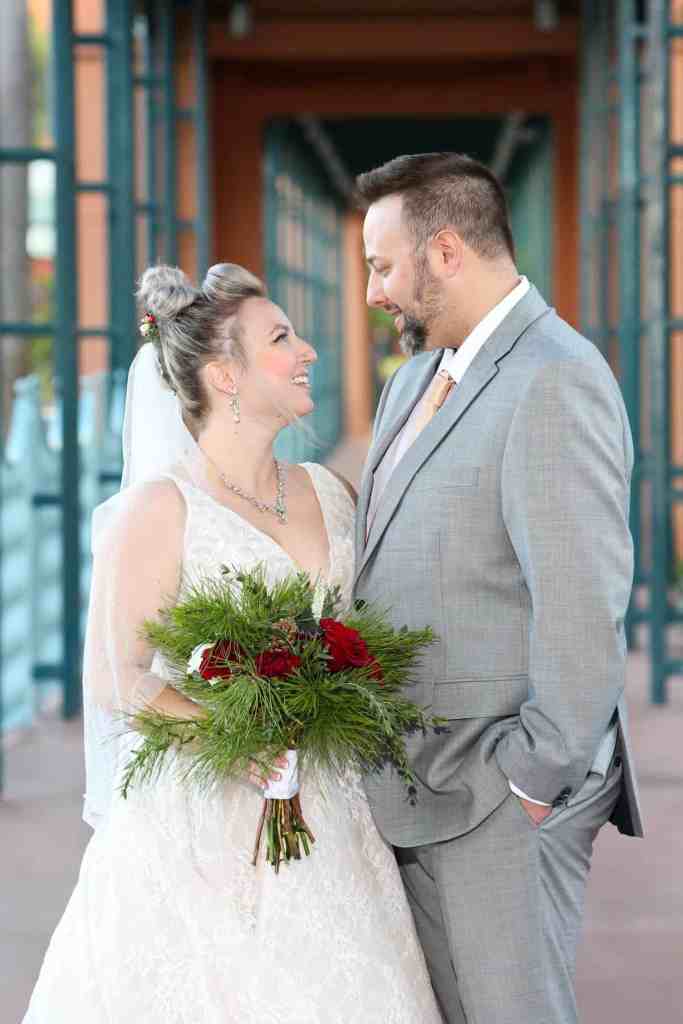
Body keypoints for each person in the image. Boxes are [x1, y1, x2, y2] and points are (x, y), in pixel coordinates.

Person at [23, 263, 442, 1024]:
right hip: (201, 822)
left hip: (334, 809)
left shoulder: (329, 489)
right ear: (224, 374)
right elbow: (121, 679)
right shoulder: (157, 509)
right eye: (282, 338)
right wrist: (237, 738)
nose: (307, 349)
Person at [354, 152, 644, 1024]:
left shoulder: (555, 376)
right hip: (416, 784)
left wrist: (533, 777)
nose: (373, 293)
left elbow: (581, 597)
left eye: (381, 265)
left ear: (445, 252)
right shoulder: (411, 380)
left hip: (499, 796)